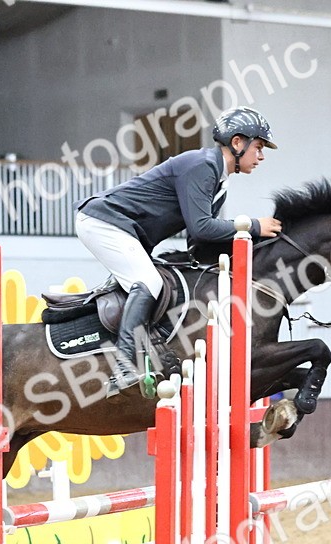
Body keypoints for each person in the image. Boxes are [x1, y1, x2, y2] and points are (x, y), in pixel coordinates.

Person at [74, 106, 283, 396]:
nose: (260, 156)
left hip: (124, 230)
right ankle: (123, 366)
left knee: (159, 279)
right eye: (258, 147)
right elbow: (201, 227)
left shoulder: (219, 180)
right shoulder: (202, 166)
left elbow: (198, 243)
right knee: (148, 283)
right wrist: (253, 226)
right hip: (103, 221)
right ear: (237, 143)